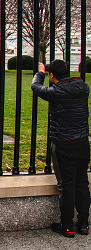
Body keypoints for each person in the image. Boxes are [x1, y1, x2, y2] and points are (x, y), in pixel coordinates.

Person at [32, 59, 90, 238]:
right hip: (82, 142)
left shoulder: (55, 92)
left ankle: (67, 225)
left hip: (63, 145)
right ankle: (83, 223)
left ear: (52, 75)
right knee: (82, 183)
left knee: (67, 185)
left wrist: (40, 73)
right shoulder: (83, 88)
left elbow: (36, 87)